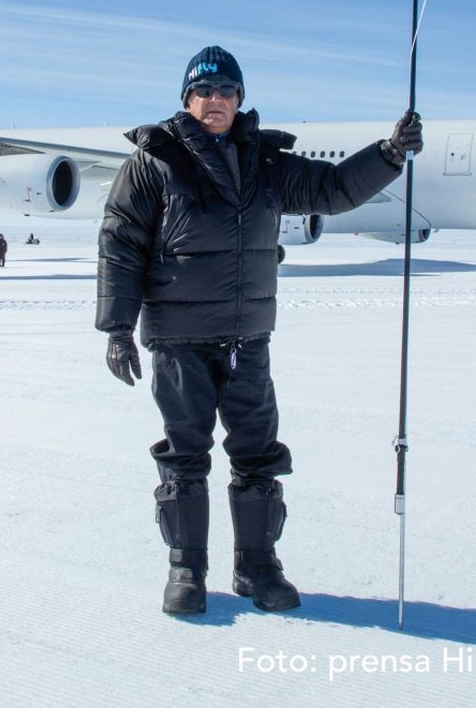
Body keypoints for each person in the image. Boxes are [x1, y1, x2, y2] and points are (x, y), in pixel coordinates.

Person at [96, 45, 422, 616]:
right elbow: (120, 245)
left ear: (240, 99)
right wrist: (118, 327)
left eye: (225, 90)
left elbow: (334, 190)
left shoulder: (265, 163)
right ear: (186, 99)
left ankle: (257, 567)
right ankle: (185, 570)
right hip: (178, 338)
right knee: (185, 454)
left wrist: (389, 154)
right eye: (203, 91)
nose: (214, 100)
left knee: (257, 453)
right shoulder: (154, 162)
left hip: (248, 338)